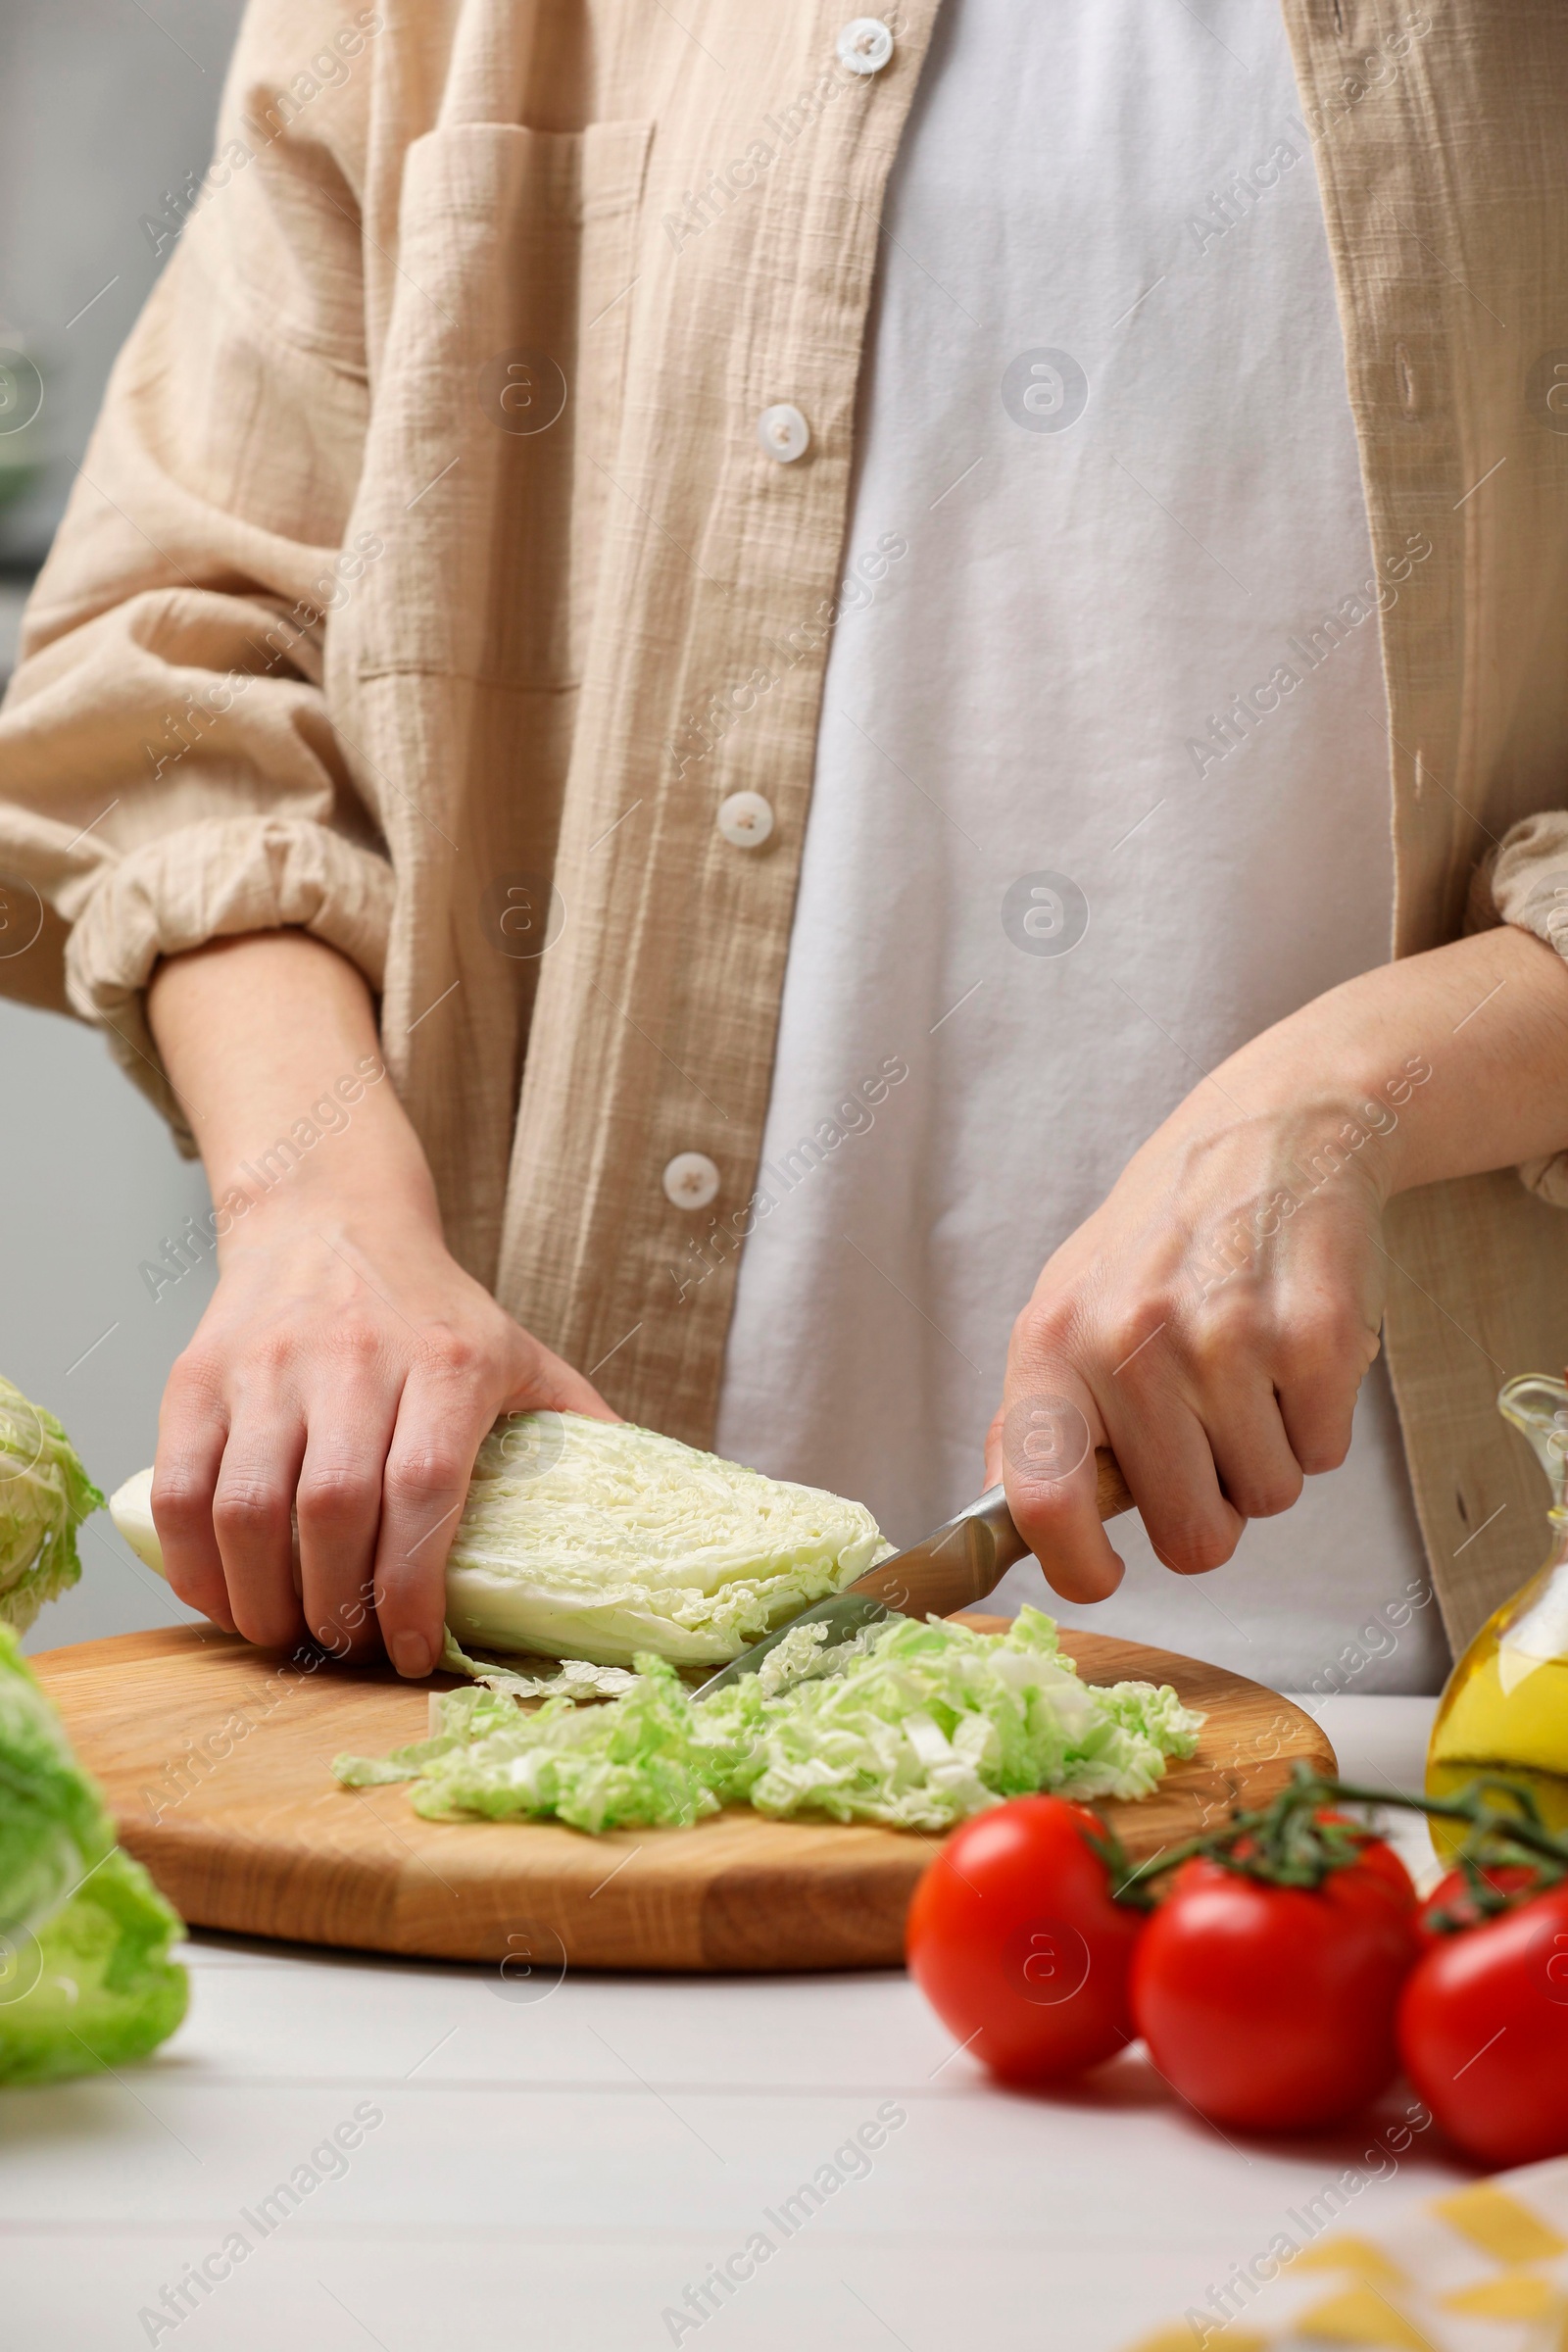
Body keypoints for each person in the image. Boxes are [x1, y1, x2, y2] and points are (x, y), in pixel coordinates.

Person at [3, 0, 1567, 1693]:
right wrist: (318, 1207)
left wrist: (1341, 1095)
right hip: (530, 1725)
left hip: (1424, 1727)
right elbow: (186, 673)